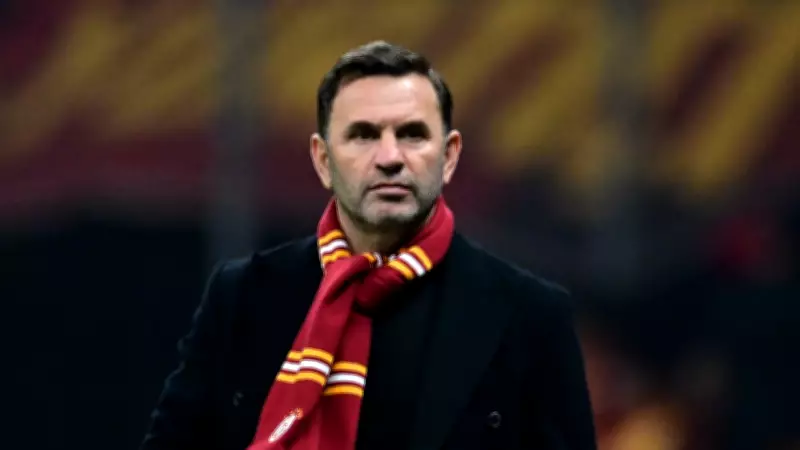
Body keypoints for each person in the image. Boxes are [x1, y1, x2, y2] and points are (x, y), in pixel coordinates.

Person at [140, 41, 597, 450]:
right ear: (323, 160)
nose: (390, 157)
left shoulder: (529, 315)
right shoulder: (243, 296)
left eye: (412, 134)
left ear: (449, 156)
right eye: (363, 135)